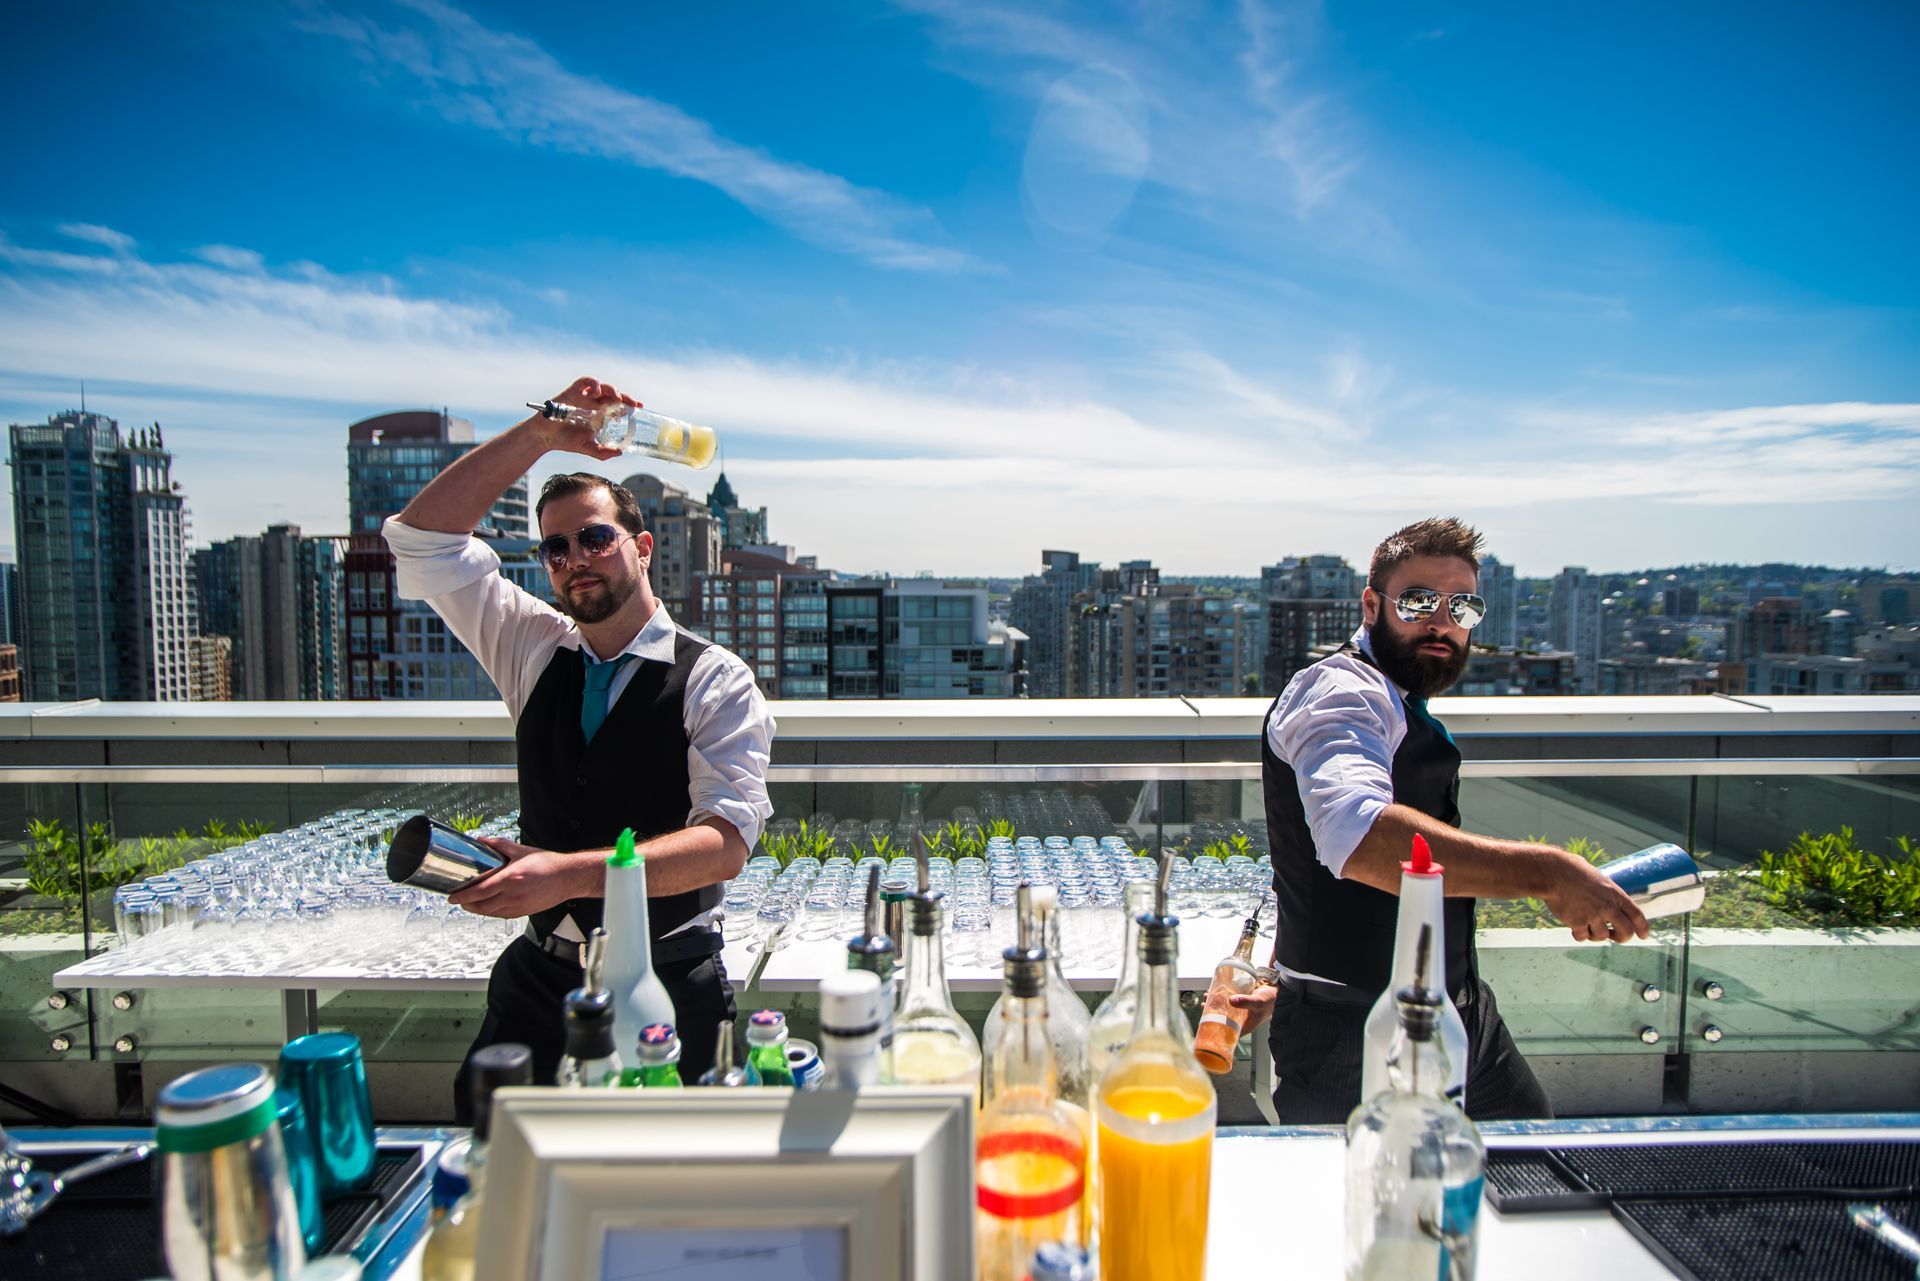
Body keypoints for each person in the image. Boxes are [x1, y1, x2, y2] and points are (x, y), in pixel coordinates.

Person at [384, 376, 774, 1117]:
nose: (575, 558)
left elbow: (723, 843)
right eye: (556, 547)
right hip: (539, 979)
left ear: (644, 546)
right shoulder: (531, 645)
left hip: (670, 983)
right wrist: (543, 433)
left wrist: (564, 875)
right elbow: (420, 540)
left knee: (659, 1193)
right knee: (496, 1164)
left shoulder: (715, 678)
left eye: (595, 536)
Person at [1235, 516, 1647, 1124]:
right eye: (1419, 601)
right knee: (1361, 1209)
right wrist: (1550, 873)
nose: (1442, 622)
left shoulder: (1397, 696)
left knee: (1533, 1165)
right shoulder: (1340, 692)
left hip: (1459, 1010)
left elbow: (1306, 852)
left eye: (1463, 607)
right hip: (1350, 1034)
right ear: (1372, 604)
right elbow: (1360, 838)